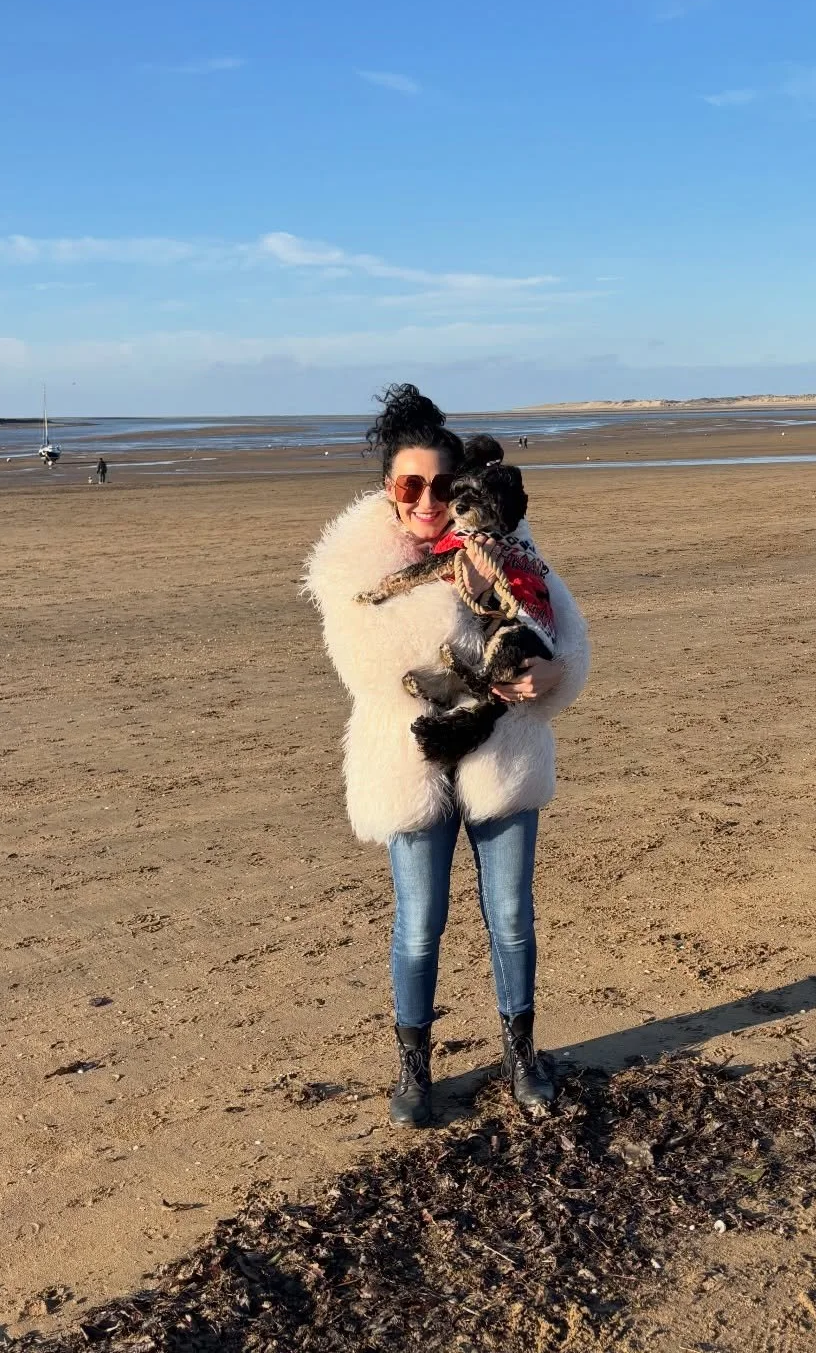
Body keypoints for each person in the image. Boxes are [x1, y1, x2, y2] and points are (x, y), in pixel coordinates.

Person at [304, 385, 590, 1128]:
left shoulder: (508, 544)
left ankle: (522, 1053)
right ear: (390, 489)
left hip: (504, 752)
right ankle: (413, 1065)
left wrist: (550, 672)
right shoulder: (352, 565)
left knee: (512, 915)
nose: (428, 500)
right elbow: (370, 664)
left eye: (440, 484)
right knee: (419, 920)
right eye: (411, 485)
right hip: (409, 763)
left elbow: (570, 639)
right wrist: (469, 646)